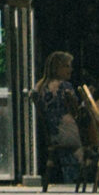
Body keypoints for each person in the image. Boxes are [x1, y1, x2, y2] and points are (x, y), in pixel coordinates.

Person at [31, 51, 82, 186]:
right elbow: (76, 111)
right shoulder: (64, 87)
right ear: (56, 68)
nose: (70, 69)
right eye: (66, 66)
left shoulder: (39, 86)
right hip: (68, 131)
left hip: (53, 132)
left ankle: (71, 176)